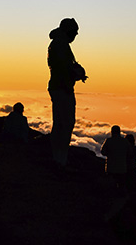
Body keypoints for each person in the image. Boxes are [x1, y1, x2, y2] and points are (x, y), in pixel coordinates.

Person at [47, 18, 87, 168]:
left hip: (59, 87)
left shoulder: (59, 43)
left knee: (61, 123)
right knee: (64, 123)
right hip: (62, 88)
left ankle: (58, 157)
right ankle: (59, 159)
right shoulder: (60, 45)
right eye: (74, 33)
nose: (75, 36)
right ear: (68, 31)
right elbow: (63, 68)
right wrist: (76, 74)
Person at [101, 126, 130, 192]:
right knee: (121, 186)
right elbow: (130, 153)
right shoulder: (125, 141)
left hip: (111, 167)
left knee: (111, 186)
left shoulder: (108, 141)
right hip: (122, 168)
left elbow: (103, 152)